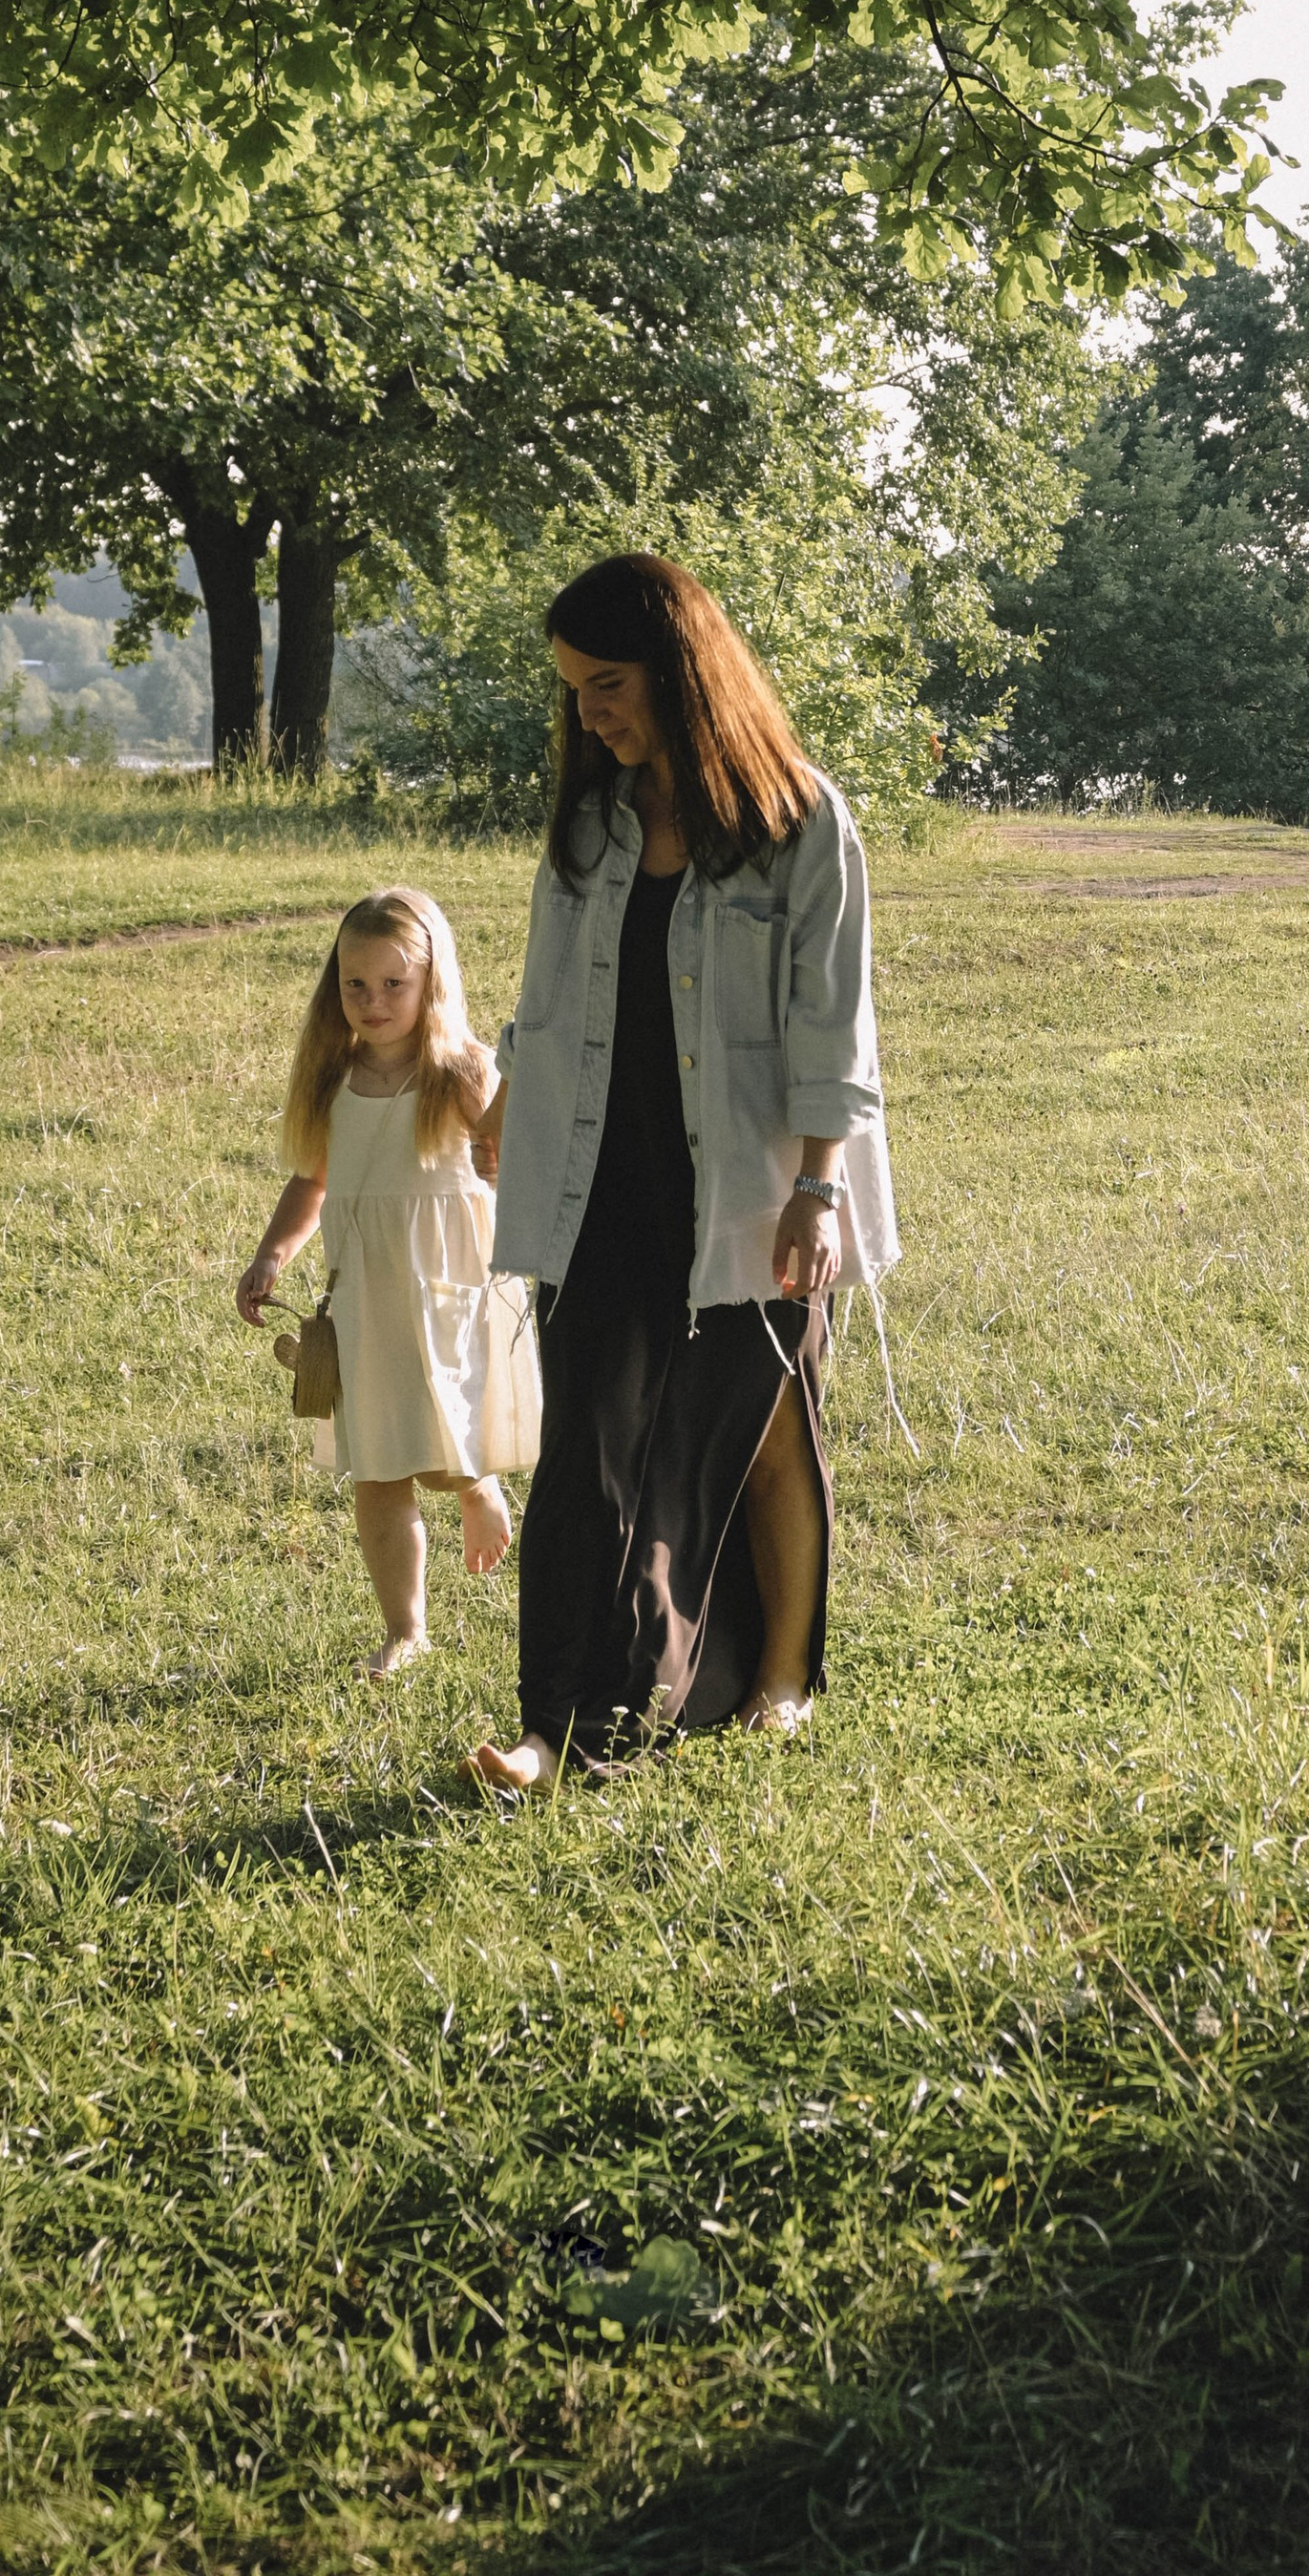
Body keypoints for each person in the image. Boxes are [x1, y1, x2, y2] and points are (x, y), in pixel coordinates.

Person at [465, 552, 897, 1792]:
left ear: (680, 669)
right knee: (584, 1442)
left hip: (753, 1183)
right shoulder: (590, 825)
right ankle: (555, 1726)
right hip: (597, 1167)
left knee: (763, 1429)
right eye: (574, 690)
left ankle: (782, 1680)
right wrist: (506, 1092)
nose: (590, 712)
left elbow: (835, 1029)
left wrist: (819, 1189)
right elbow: (549, 992)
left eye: (608, 684)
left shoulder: (801, 823)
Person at [237, 888, 541, 1680]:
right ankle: (406, 1628)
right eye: (355, 985)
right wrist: (272, 1255)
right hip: (364, 1296)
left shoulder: (461, 1071)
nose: (373, 1002)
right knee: (377, 1463)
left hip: (449, 1288)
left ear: (431, 982)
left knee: (442, 1417)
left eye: (393, 984)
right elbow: (313, 1182)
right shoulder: (333, 1079)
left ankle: (474, 1485)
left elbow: (511, 1155)